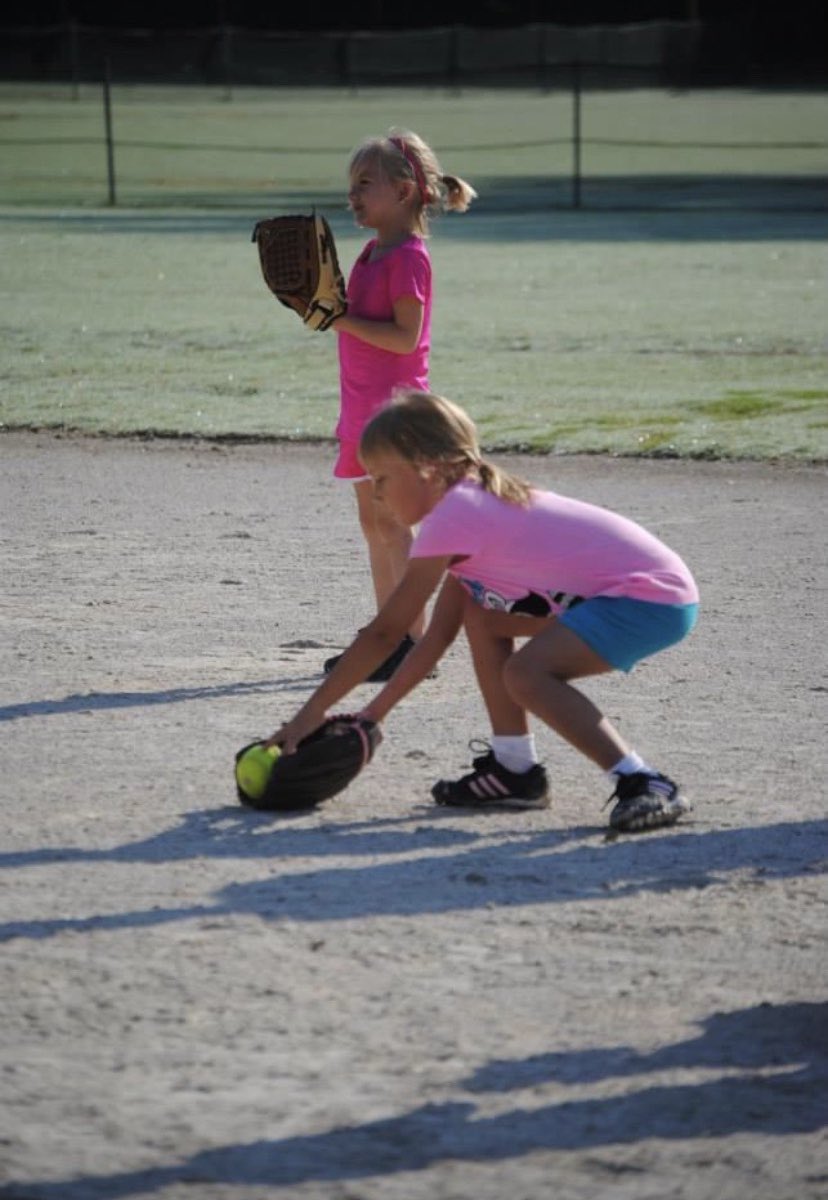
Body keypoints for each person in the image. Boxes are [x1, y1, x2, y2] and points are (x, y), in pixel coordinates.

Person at [268, 391, 700, 835]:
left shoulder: (456, 516)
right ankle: (514, 769)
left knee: (526, 674)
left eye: (382, 478)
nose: (376, 493)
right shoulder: (468, 506)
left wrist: (311, 713)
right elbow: (434, 639)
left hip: (648, 598)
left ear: (426, 467)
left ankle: (643, 781)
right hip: (651, 596)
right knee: (482, 616)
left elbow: (386, 633)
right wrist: (370, 716)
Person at [324, 129, 476, 682]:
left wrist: (339, 319)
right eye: (352, 185)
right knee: (373, 522)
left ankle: (410, 640)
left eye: (365, 183)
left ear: (405, 191)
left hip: (394, 413)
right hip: (360, 408)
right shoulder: (371, 252)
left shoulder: (409, 257)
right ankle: (386, 637)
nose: (353, 195)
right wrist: (325, 304)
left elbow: (404, 338)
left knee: (394, 522)